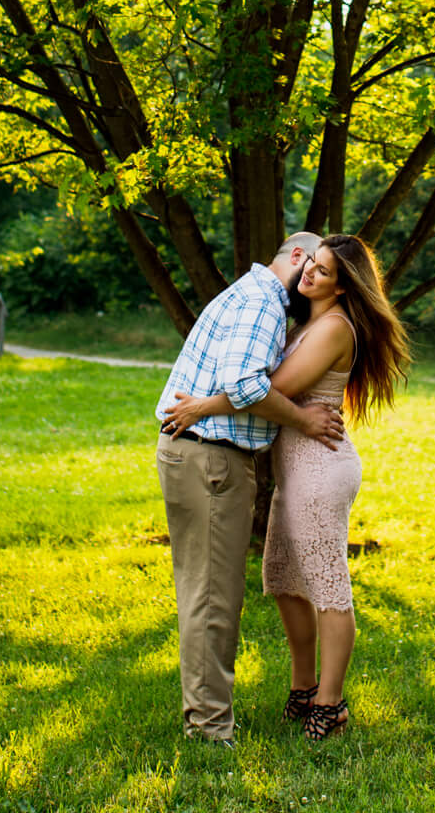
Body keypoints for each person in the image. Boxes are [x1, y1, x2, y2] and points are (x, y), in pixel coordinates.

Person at [163, 231, 409, 742]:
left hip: (320, 465)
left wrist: (204, 405)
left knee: (327, 588)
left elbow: (269, 387)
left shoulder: (334, 327)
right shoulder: (308, 321)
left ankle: (329, 703)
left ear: (342, 288)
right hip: (294, 468)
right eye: (311, 265)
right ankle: (301, 689)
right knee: (284, 582)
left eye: (323, 271)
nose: (311, 275)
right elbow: (259, 379)